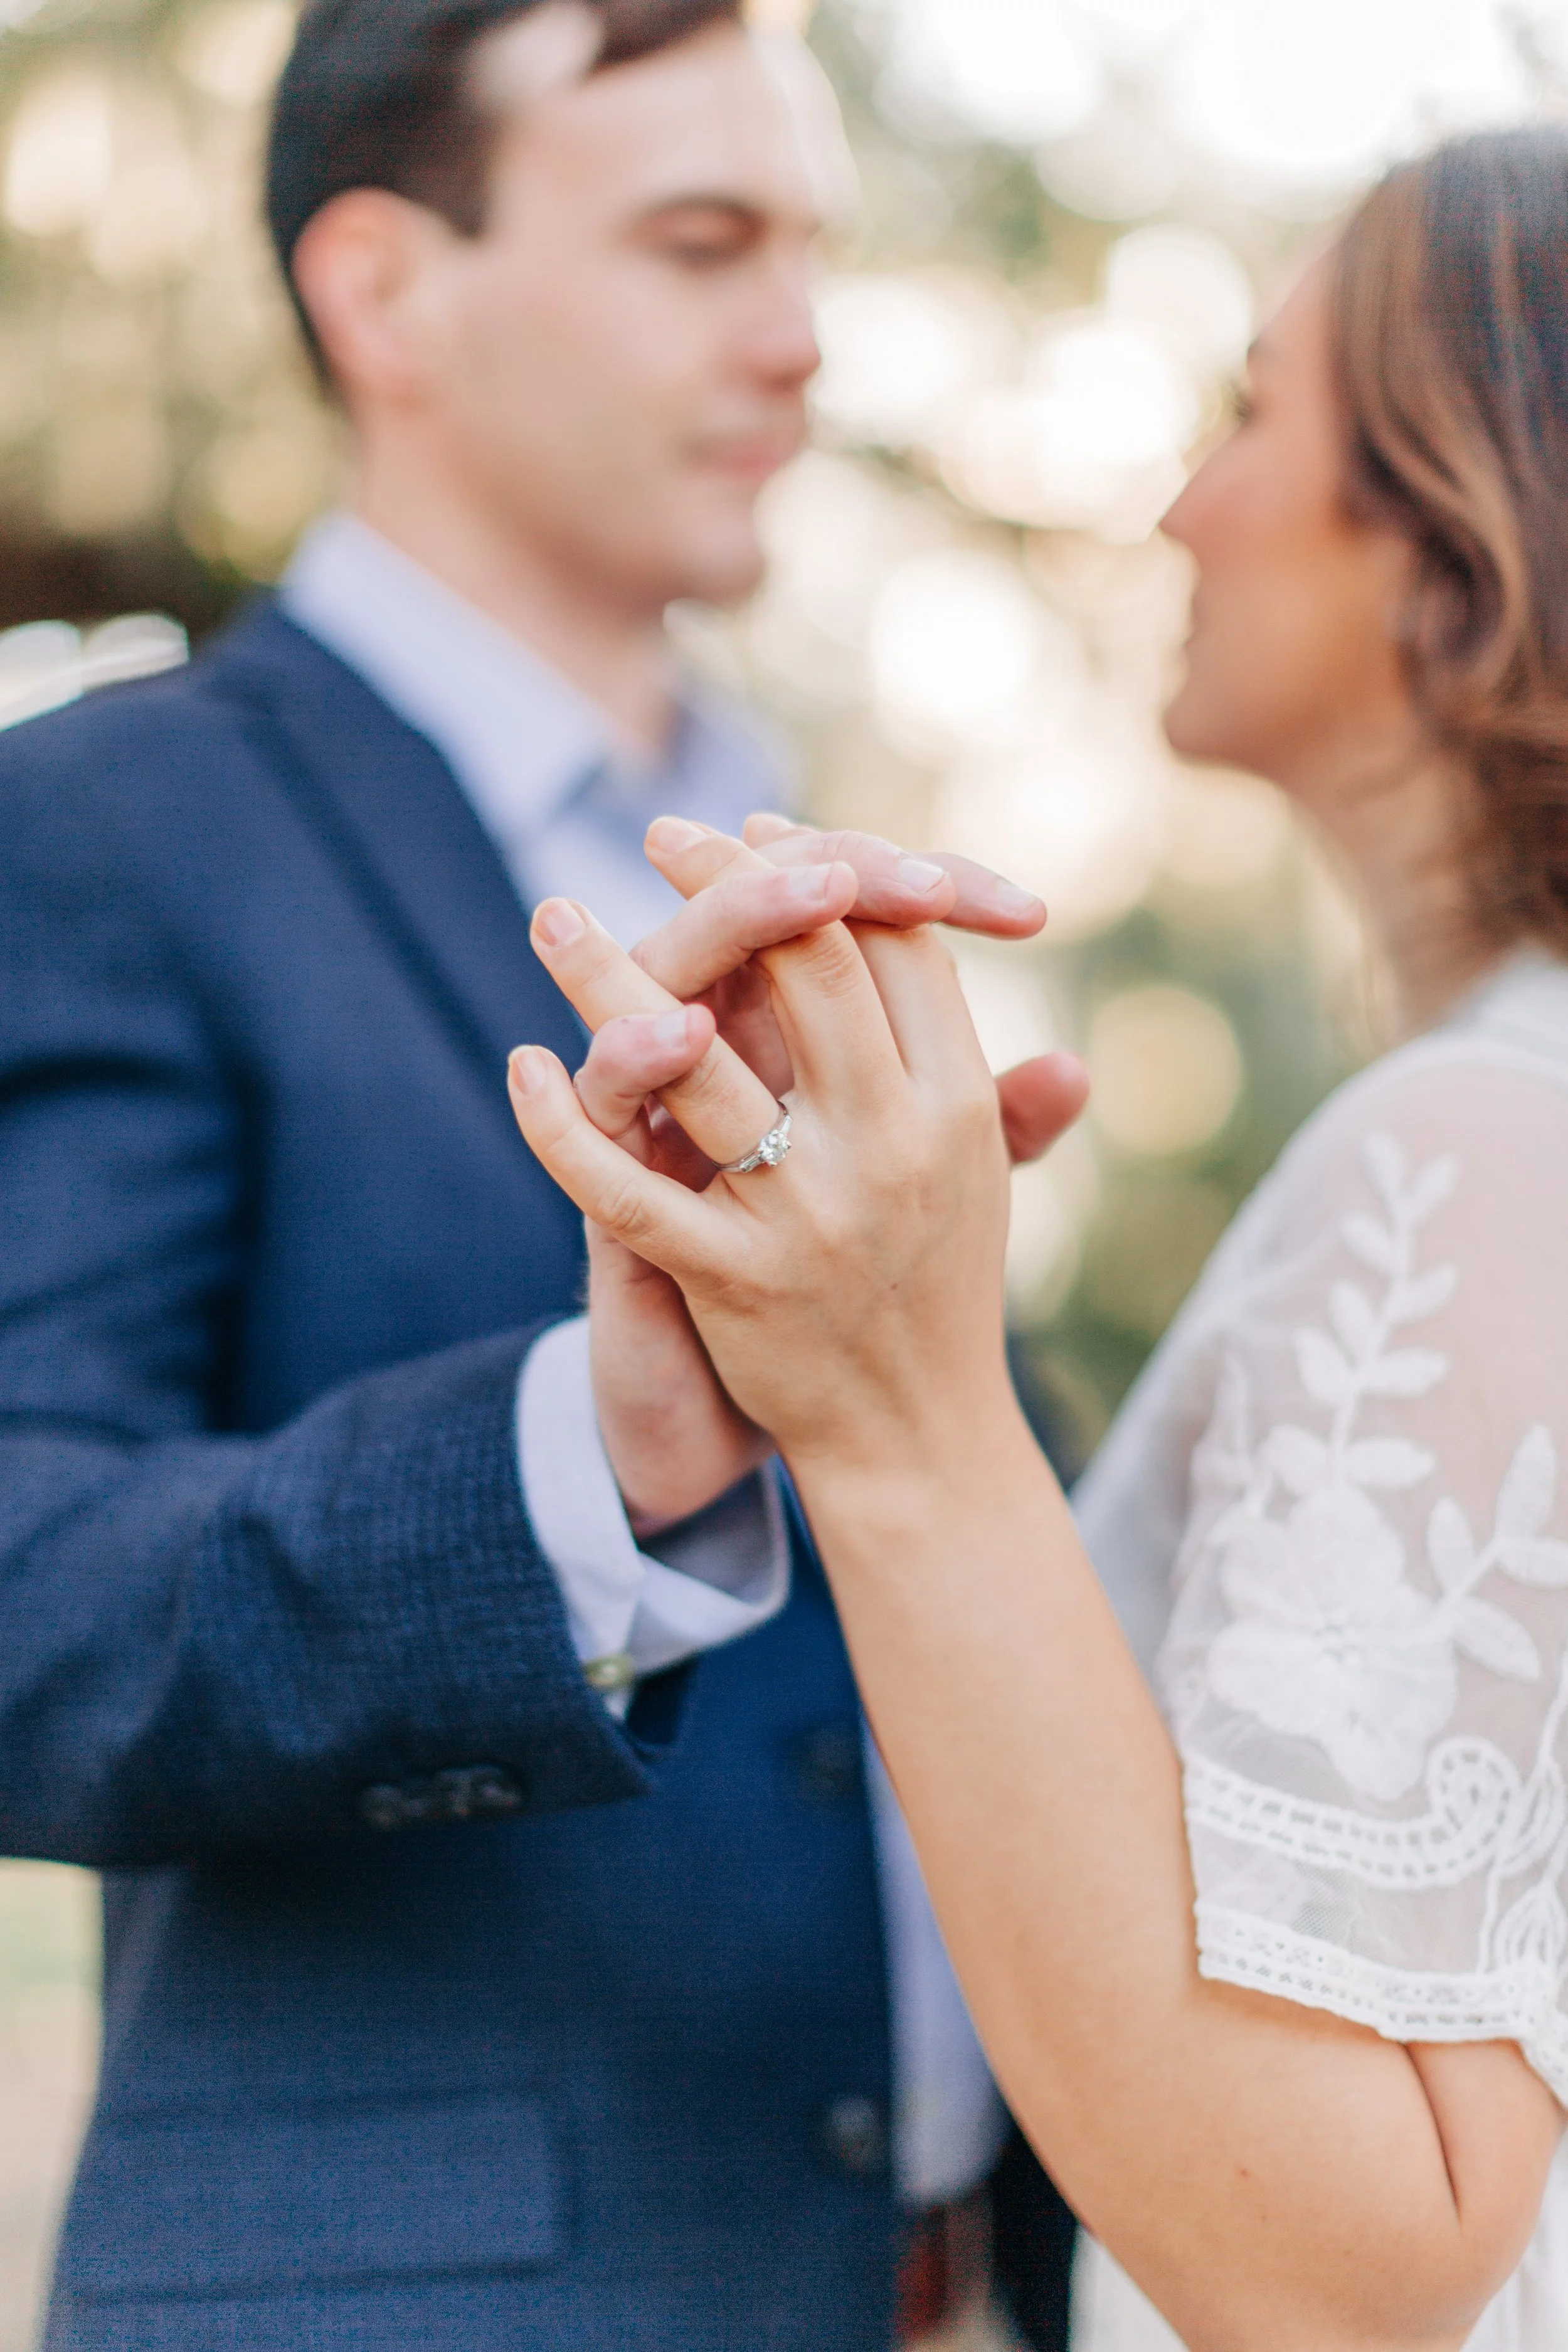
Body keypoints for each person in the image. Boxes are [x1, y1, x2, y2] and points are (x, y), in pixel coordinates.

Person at [0, 0, 1086, 2344]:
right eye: (702, 244)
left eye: (807, 247)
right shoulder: (103, 825)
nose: (797, 339)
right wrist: (594, 1457)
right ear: (386, 292)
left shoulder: (813, 849)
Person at [513, 125, 1568, 2349]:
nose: (1179, 500)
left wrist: (892, 1402)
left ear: (1467, 511)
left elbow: (1345, 2269)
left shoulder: (1479, 1145)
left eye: (1252, 411)